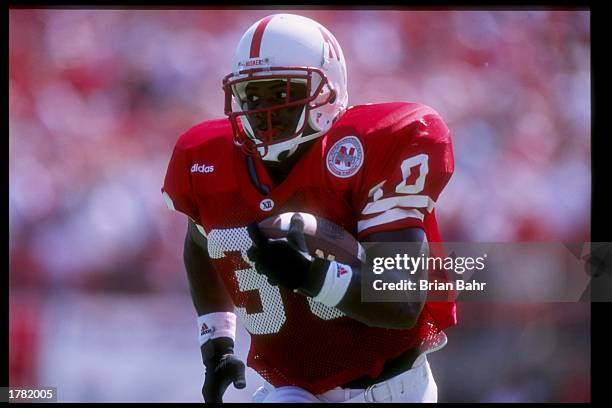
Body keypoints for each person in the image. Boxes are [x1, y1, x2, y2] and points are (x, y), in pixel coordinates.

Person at [162, 13, 456, 403]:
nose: (264, 110)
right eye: (253, 95)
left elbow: (399, 298)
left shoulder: (378, 145)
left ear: (327, 91)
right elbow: (201, 240)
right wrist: (216, 339)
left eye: (282, 93)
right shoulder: (207, 159)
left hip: (390, 391)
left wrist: (311, 275)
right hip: (290, 390)